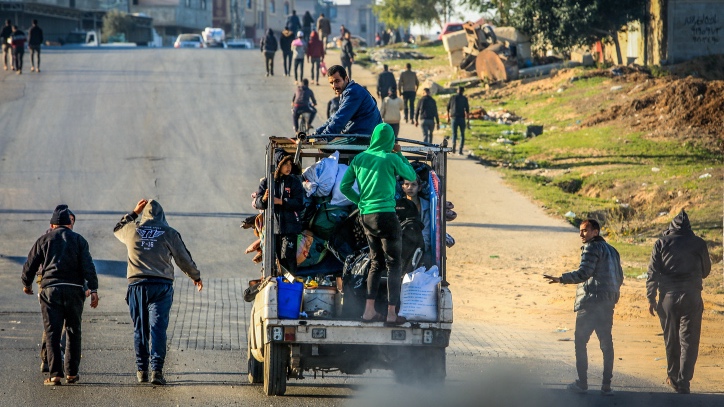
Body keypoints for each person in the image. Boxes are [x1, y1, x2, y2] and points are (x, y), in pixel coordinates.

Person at [113, 199, 203, 386]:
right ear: (162, 215)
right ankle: (157, 371)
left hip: (137, 285)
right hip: (161, 286)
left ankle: (141, 370)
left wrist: (134, 213)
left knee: (140, 328)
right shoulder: (169, 233)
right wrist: (195, 276)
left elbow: (117, 228)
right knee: (158, 328)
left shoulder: (132, 230)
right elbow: (183, 258)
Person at [340, 122, 417, 325]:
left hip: (366, 216)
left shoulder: (359, 158)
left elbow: (344, 186)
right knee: (394, 264)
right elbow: (411, 175)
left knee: (375, 262)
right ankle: (392, 314)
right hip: (386, 216)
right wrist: (399, 154)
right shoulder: (390, 157)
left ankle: (368, 312)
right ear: (390, 140)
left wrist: (361, 202)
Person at [543, 219, 623, 396]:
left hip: (589, 303)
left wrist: (561, 279)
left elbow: (583, 273)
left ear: (595, 232)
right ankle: (606, 384)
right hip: (607, 302)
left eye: (585, 231)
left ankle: (582, 384)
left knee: (580, 342)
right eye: (580, 231)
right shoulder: (613, 250)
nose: (581, 234)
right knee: (606, 343)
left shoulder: (591, 248)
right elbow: (619, 277)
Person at [22, 205, 100, 385]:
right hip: (74, 290)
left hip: (51, 290)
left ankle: (55, 374)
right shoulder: (79, 240)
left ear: (52, 224)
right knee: (73, 331)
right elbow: (88, 267)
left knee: (52, 332)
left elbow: (31, 264)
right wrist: (94, 290)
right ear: (69, 224)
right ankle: (72, 373)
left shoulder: (44, 239)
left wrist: (26, 283)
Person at [646, 209, 711, 394]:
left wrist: (651, 297)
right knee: (689, 341)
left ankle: (672, 376)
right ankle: (684, 381)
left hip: (668, 298)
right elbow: (706, 271)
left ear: (671, 226)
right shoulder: (699, 243)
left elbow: (652, 273)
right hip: (692, 296)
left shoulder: (661, 242)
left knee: (671, 339)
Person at [253, 151, 304, 276]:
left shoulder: (294, 182)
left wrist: (281, 201)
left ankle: (290, 287)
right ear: (278, 165)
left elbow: (299, 203)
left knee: (288, 257)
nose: (288, 167)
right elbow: (258, 203)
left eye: (289, 164)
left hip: (290, 228)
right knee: (273, 259)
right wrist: (264, 199)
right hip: (272, 229)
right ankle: (276, 286)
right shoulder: (266, 182)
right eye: (285, 164)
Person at [314, 65, 382, 136]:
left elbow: (340, 119)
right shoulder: (350, 91)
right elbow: (334, 117)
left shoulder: (353, 92)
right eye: (331, 83)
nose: (334, 86)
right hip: (360, 135)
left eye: (337, 81)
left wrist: (324, 136)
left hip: (364, 137)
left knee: (328, 146)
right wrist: (317, 133)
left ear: (346, 79)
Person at [401, 177, 431, 265]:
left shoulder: (426, 206)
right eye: (407, 184)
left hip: (420, 244)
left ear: (419, 188)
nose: (410, 187)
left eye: (413, 184)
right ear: (403, 187)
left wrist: (422, 247)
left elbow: (427, 229)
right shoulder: (398, 205)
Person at [446, 86, 470, 154]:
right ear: (463, 91)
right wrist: (468, 121)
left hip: (454, 118)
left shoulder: (452, 97)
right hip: (462, 118)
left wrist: (448, 117)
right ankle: (460, 150)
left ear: (457, 91)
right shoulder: (464, 98)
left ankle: (453, 144)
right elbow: (467, 110)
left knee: (454, 133)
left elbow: (448, 108)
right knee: (462, 134)